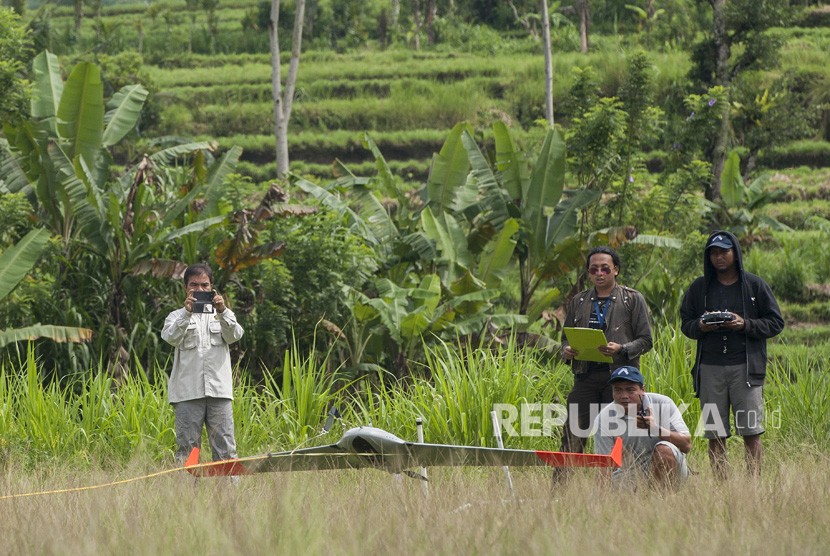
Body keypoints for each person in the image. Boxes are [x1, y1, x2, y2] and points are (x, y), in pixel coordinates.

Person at [680, 231, 784, 479]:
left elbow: (775, 322)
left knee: (751, 432)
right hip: (710, 369)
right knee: (715, 434)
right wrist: (701, 326)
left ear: (735, 253)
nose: (719, 257)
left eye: (724, 251)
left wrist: (744, 324)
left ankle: (753, 486)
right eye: (714, 253)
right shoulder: (699, 287)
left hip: (745, 370)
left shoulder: (754, 285)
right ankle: (721, 487)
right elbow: (686, 323)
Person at [559, 246, 653, 455]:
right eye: (594, 270)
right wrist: (566, 350)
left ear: (616, 270)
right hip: (585, 376)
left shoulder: (632, 298)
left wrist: (622, 349)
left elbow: (646, 340)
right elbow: (565, 337)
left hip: (619, 379)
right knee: (572, 434)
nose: (599, 274)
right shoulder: (579, 301)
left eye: (605, 269)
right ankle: (560, 487)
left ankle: (621, 484)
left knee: (619, 435)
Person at [161, 263, 245, 464]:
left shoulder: (223, 314)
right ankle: (186, 495)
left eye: (204, 285)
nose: (199, 290)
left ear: (212, 287)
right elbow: (170, 337)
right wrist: (187, 313)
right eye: (194, 285)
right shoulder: (175, 316)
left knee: (225, 450)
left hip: (219, 392)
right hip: (187, 393)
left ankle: (230, 494)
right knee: (187, 451)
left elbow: (235, 336)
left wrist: (223, 310)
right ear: (185, 288)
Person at [593, 366, 691, 488]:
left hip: (672, 470)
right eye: (618, 390)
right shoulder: (604, 418)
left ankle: (661, 501)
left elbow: (686, 445)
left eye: (630, 390)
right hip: (630, 473)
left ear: (642, 390)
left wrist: (655, 428)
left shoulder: (663, 404)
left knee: (664, 450)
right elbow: (604, 466)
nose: (624, 396)